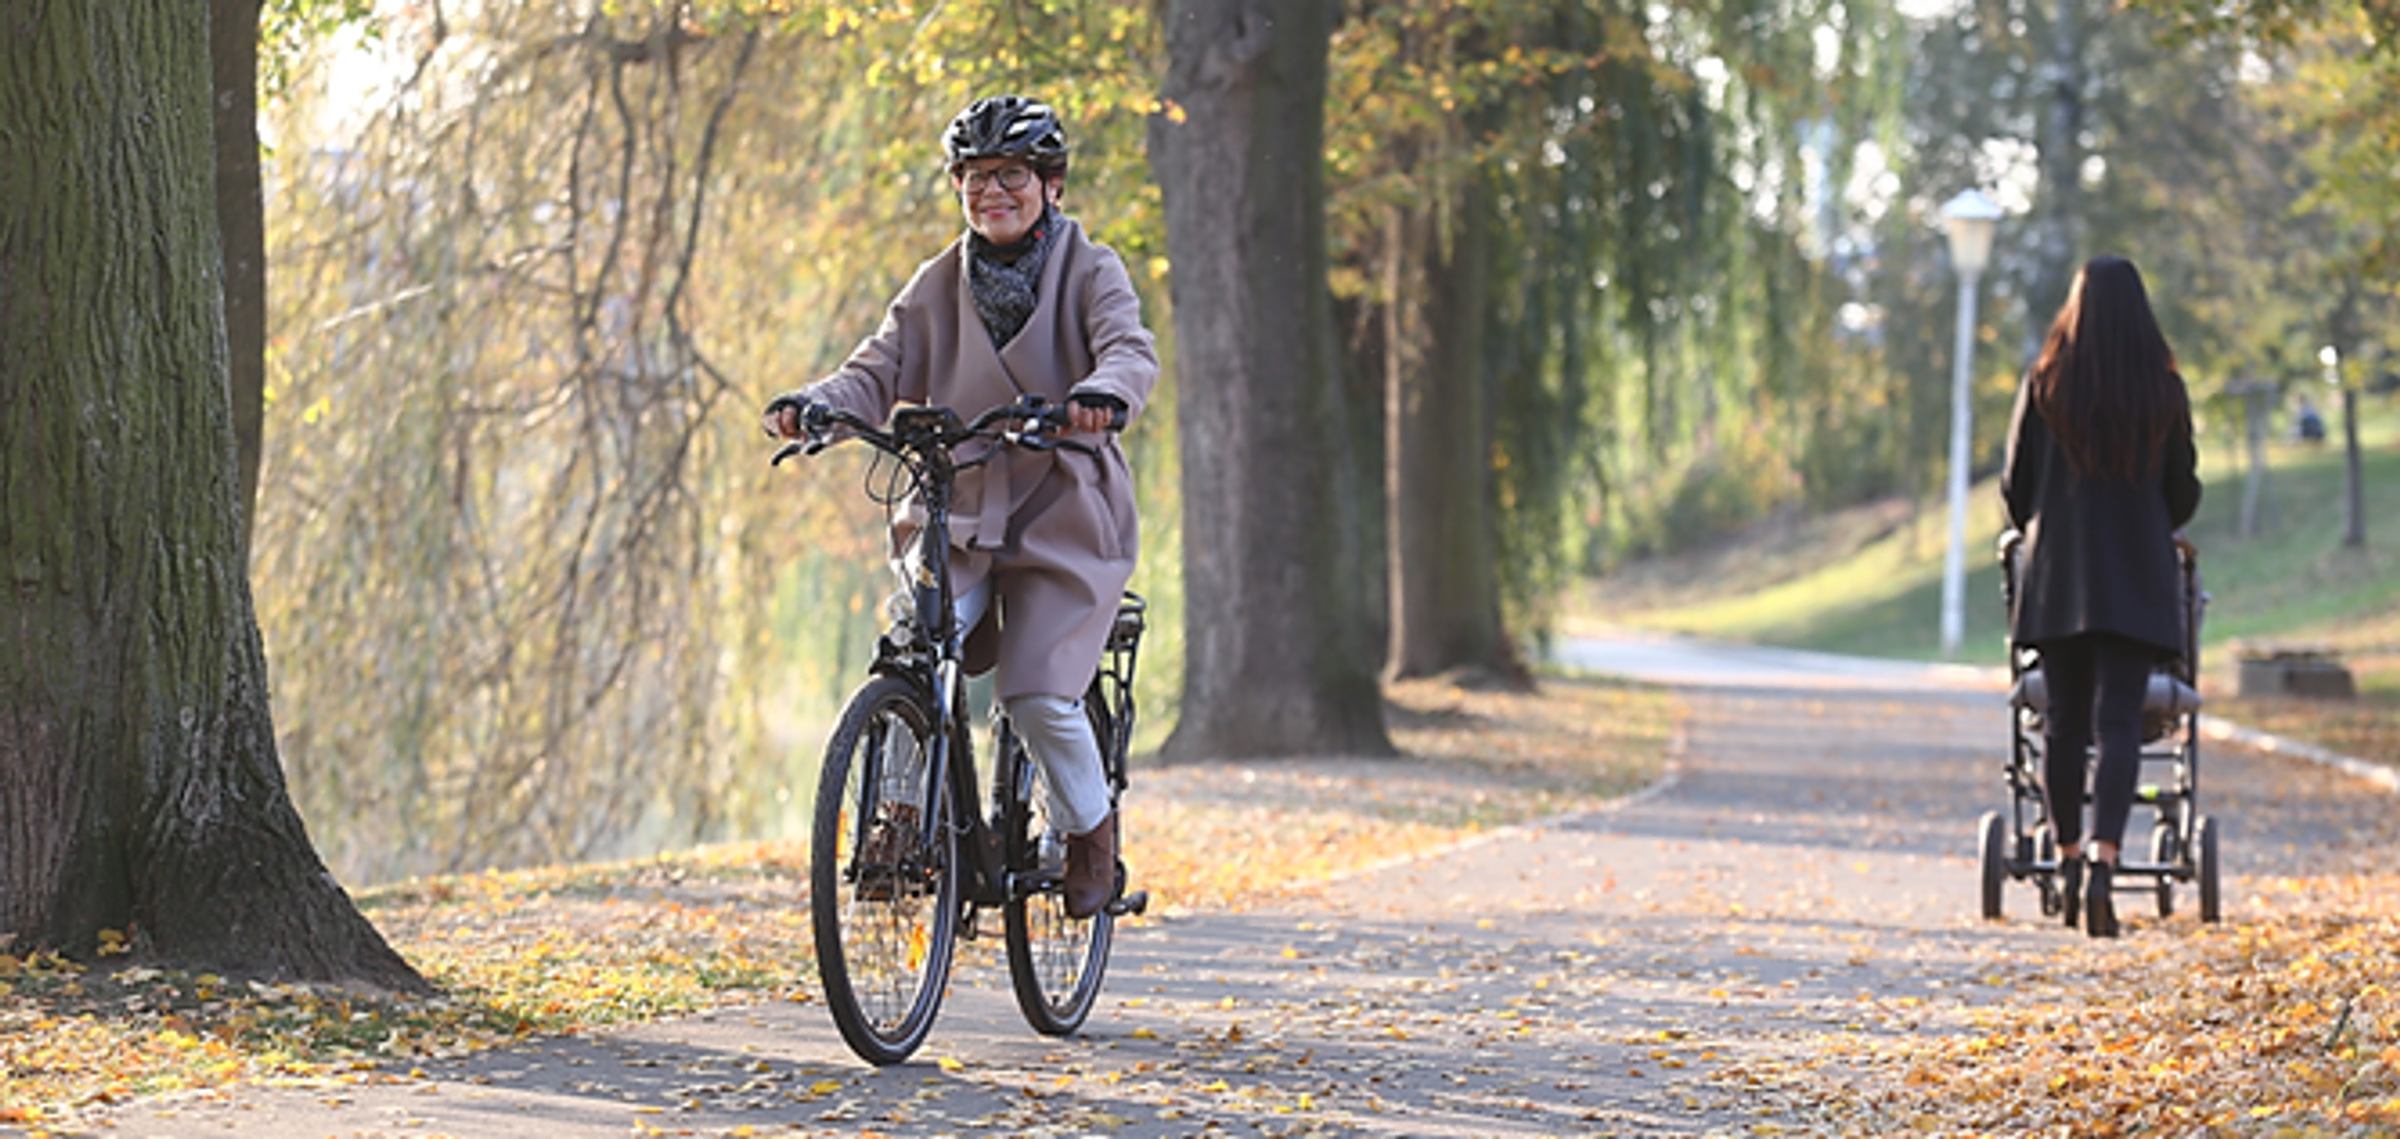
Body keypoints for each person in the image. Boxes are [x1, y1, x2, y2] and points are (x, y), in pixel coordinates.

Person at [762, 95, 1159, 918]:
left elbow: (1127, 346)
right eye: (975, 178)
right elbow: (878, 365)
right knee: (916, 647)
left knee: (1038, 692)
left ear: (1049, 184)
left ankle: (1091, 831)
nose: (992, 193)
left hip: (1064, 509)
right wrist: (820, 406)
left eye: (1011, 175)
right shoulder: (937, 280)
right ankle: (902, 821)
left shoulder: (1092, 267)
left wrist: (1102, 393)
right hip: (964, 502)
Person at [2002, 255, 2202, 939]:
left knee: (2062, 721)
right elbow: (2183, 493)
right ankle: (2104, 866)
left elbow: (2015, 488)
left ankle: (2062, 857)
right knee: (2119, 722)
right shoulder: (2163, 390)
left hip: (2062, 578)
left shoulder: (2045, 383)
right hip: (2137, 579)